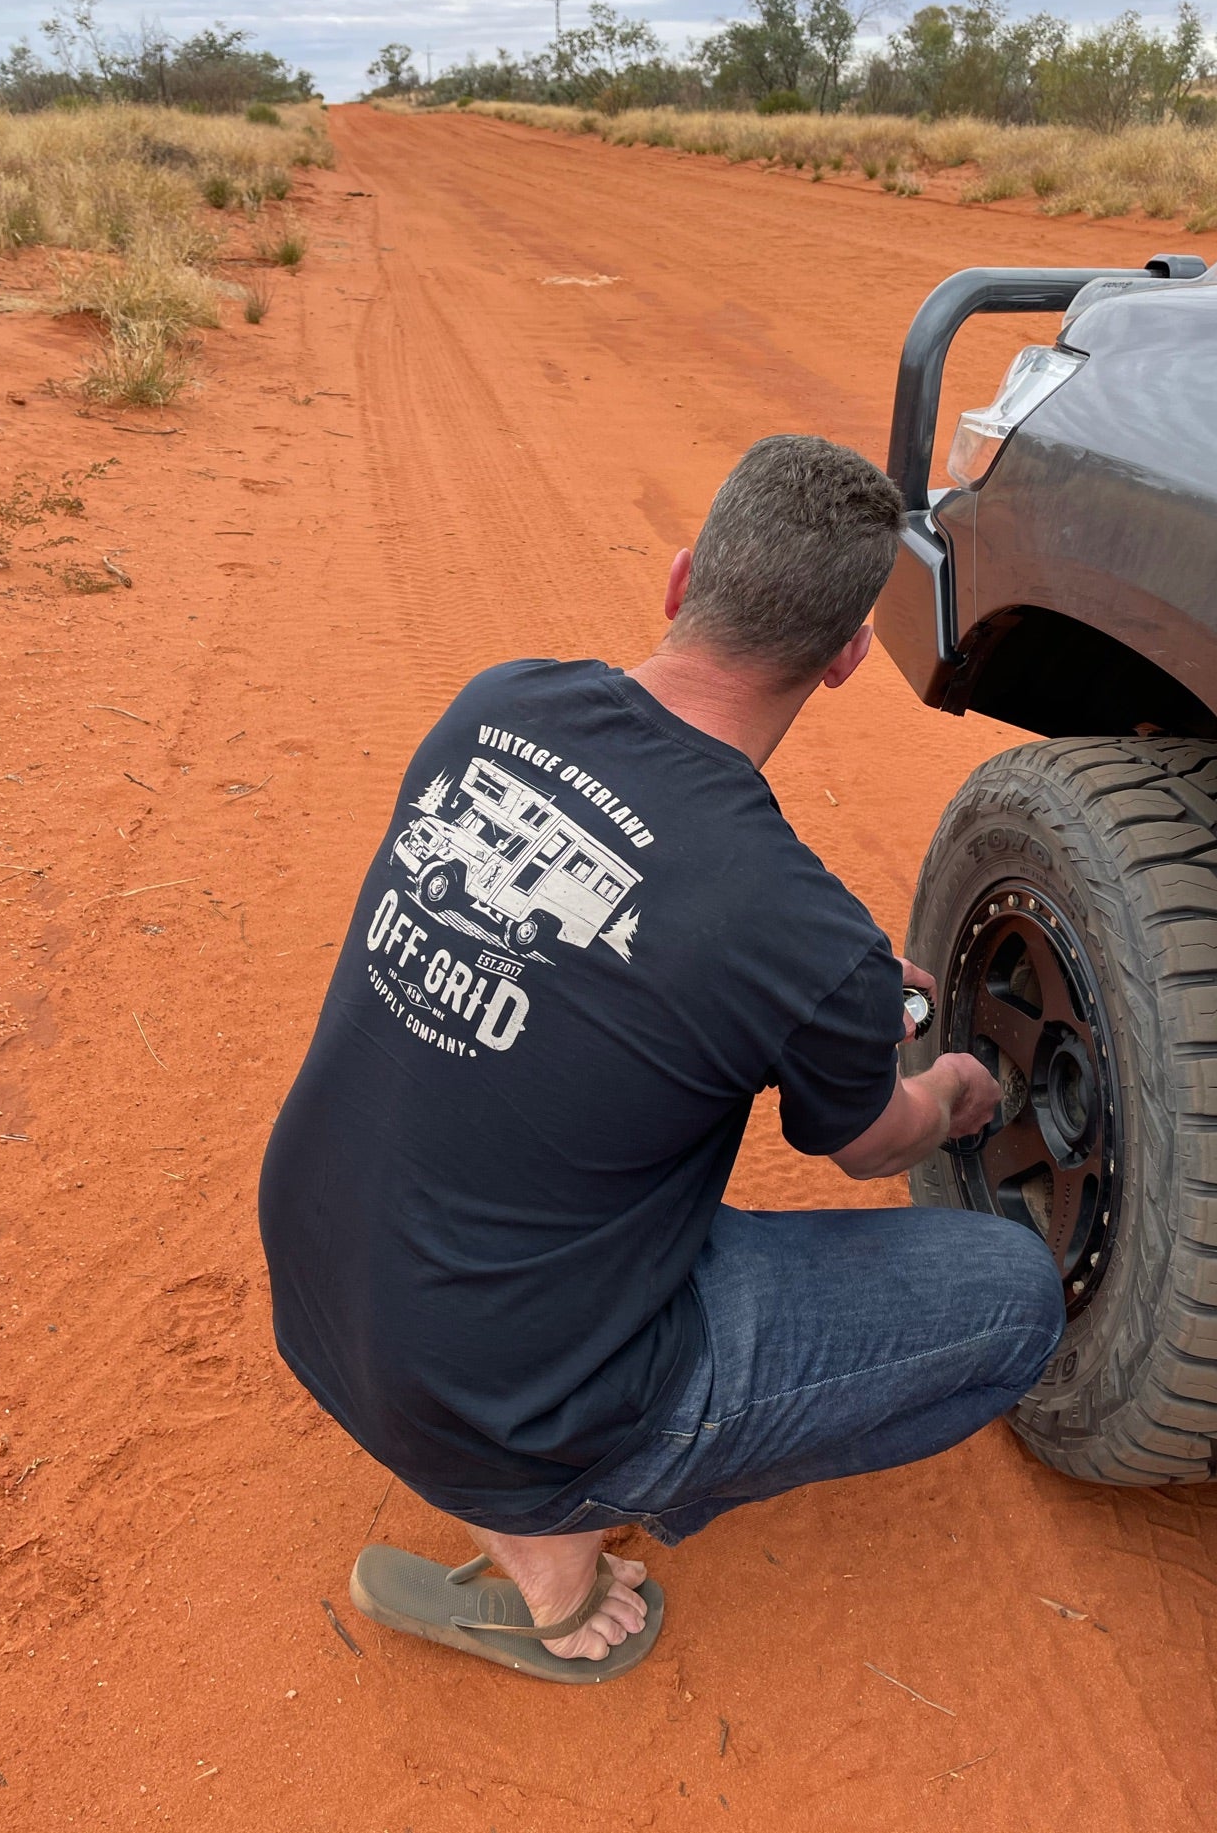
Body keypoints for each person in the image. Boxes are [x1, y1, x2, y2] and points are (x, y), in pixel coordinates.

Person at [259, 434, 1065, 1683]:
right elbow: (870, 1147)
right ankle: (551, 1525)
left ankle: (502, 1462)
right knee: (1014, 1299)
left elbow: (628, 951)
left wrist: (832, 996)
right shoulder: (799, 931)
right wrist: (954, 1094)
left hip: (318, 1292)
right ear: (850, 656)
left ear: (683, 580)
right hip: (505, 1394)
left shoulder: (496, 704)